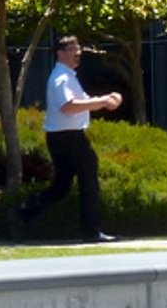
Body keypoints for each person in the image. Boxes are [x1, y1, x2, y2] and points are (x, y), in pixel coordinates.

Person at [16, 35, 122, 243]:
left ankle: (23, 212)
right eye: (72, 49)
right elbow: (69, 106)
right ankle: (91, 231)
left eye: (79, 48)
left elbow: (76, 103)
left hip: (61, 137)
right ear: (60, 53)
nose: (78, 53)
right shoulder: (62, 78)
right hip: (69, 137)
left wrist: (100, 101)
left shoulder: (67, 76)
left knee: (62, 185)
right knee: (89, 179)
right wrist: (103, 101)